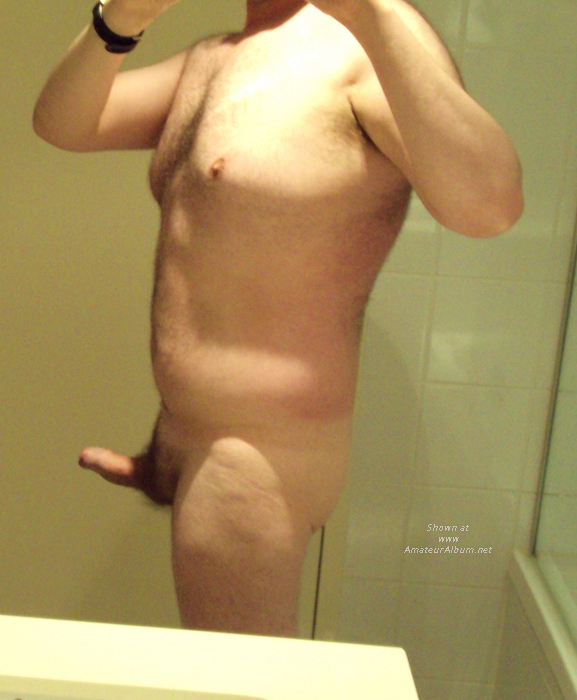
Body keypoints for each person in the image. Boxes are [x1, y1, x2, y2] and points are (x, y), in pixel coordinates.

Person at [33, 0, 523, 636]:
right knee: (225, 677)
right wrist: (119, 18)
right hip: (195, 446)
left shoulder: (355, 45)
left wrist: (369, 14)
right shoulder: (215, 57)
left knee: (237, 681)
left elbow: (490, 206)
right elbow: (63, 123)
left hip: (258, 459)